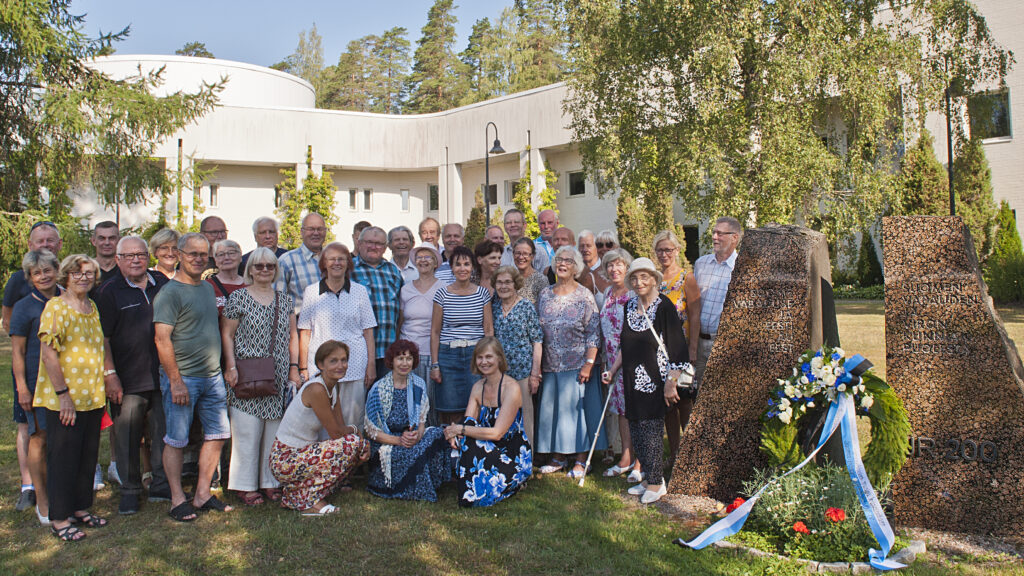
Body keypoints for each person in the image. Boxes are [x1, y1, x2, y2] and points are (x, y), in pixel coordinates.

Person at [153, 233, 233, 522]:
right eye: (192, 254)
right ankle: (177, 499)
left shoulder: (206, 288)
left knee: (218, 434)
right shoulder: (169, 293)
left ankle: (201, 493)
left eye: (203, 254)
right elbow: (162, 339)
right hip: (183, 377)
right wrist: (175, 381)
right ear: (179, 254)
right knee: (176, 439)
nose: (199, 259)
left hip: (211, 376)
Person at [602, 258, 691, 504]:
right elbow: (625, 344)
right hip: (631, 378)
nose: (639, 282)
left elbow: (677, 348)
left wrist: (671, 382)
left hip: (655, 380)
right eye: (634, 278)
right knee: (637, 428)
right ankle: (647, 477)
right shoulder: (630, 305)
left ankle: (656, 482)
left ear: (654, 279)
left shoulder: (664, 307)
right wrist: (613, 370)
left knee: (651, 430)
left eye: (644, 277)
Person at [94, 236, 172, 515]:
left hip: (162, 375)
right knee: (127, 436)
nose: (135, 259)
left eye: (140, 254)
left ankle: (161, 484)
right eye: (128, 256)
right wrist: (110, 374)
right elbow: (102, 338)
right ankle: (129, 489)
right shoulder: (108, 292)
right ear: (118, 260)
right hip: (127, 379)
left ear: (148, 256)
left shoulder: (162, 284)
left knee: (163, 433)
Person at [34, 254, 108, 540]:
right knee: (63, 457)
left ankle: (80, 507)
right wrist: (63, 395)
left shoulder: (92, 307)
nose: (83, 278)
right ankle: (60, 518)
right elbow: (49, 353)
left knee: (86, 455)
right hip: (65, 398)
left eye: (89, 273)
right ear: (65, 275)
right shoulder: (56, 307)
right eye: (77, 273)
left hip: (91, 395)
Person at [221, 247, 298, 506]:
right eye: (259, 266)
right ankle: (244, 485)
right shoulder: (238, 298)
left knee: (273, 431)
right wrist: (230, 366)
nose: (264, 270)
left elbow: (292, 336)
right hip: (246, 372)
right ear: (250, 269)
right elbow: (227, 335)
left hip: (276, 374)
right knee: (247, 430)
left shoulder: (284, 300)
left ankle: (269, 481)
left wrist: (294, 368)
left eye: (269, 266)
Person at [270, 340, 370, 514]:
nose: (341, 365)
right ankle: (310, 501)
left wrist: (358, 439)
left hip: (302, 454)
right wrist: (357, 432)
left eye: (344, 360)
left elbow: (339, 428)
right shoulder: (316, 389)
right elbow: (337, 433)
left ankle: (295, 496)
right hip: (285, 458)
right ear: (320, 365)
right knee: (353, 444)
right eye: (333, 361)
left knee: (355, 446)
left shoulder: (333, 386)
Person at [535, 245, 605, 479]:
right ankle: (558, 456)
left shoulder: (584, 295)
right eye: (559, 260)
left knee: (579, 414)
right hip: (550, 364)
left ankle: (581, 459)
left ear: (576, 268)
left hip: (577, 365)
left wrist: (589, 362)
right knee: (555, 413)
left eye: (568, 260)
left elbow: (594, 331)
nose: (562, 264)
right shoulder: (545, 294)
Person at [6, 222, 63, 509]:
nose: (43, 276)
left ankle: (58, 484)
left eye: (48, 271)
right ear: (29, 276)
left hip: (63, 379)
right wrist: (22, 387)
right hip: (32, 377)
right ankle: (31, 487)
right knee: (32, 432)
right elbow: (16, 347)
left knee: (58, 433)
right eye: (37, 273)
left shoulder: (67, 296)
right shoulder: (23, 300)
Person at [299, 242, 376, 438]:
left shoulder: (359, 291)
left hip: (354, 365)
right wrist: (303, 368)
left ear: (348, 263)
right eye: (331, 259)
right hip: (321, 368)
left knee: (352, 421)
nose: (336, 263)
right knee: (323, 422)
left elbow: (368, 331)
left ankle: (350, 465)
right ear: (324, 264)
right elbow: (305, 332)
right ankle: (326, 465)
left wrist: (371, 365)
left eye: (341, 259)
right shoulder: (311, 292)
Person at [444, 337, 532, 507]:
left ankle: (507, 482)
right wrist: (454, 434)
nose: (484, 362)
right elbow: (469, 422)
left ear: (499, 358)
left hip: (510, 456)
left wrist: (459, 429)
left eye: (489, 357)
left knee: (468, 439)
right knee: (447, 435)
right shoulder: (478, 387)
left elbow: (497, 433)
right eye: (480, 357)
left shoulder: (511, 388)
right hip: (486, 450)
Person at [364, 340, 451, 501]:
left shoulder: (419, 384)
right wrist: (399, 440)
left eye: (409, 359)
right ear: (392, 361)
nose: (405, 363)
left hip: (411, 436)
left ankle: (432, 481)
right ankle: (407, 487)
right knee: (413, 452)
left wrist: (416, 436)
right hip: (387, 440)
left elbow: (421, 422)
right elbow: (371, 431)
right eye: (400, 358)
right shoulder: (378, 389)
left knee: (439, 433)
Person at [653, 229, 702, 466]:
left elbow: (695, 315)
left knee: (684, 402)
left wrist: (692, 350)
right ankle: (673, 454)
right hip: (660, 354)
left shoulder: (686, 279)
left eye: (668, 250)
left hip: (681, 351)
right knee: (667, 406)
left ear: (677, 250)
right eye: (660, 250)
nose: (664, 254)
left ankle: (691, 457)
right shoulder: (653, 280)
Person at [430, 245, 493, 424]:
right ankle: (452, 449)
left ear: (472, 267)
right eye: (458, 264)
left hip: (475, 356)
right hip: (448, 356)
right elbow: (435, 331)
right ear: (451, 268)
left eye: (466, 264)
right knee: (451, 410)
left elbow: (488, 330)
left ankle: (471, 449)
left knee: (475, 407)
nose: (462, 268)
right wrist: (435, 364)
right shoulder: (442, 294)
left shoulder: (482, 294)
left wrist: (488, 360)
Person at [597, 249, 642, 481]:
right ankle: (625, 456)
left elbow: (634, 332)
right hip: (612, 358)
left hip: (632, 358)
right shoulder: (607, 292)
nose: (614, 270)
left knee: (636, 409)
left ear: (627, 267)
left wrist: (616, 365)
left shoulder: (634, 295)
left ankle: (640, 461)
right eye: (610, 266)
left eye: (618, 265)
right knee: (622, 410)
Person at [491, 266, 542, 442]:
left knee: (525, 418)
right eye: (499, 282)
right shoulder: (493, 306)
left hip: (522, 373)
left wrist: (535, 375)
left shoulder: (526, 306)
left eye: (507, 282)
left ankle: (526, 461)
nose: (503, 286)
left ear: (515, 284)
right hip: (498, 375)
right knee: (500, 417)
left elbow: (537, 341)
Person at [693, 217, 742, 390]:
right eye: (714, 232)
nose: (714, 237)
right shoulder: (701, 264)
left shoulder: (742, 268)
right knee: (699, 395)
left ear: (734, 237)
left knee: (721, 393)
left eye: (720, 233)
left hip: (723, 344)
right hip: (698, 343)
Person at [352, 226, 404, 378]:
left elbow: (400, 310)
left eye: (379, 244)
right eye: (369, 242)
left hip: (388, 350)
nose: (374, 247)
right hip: (359, 351)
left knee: (384, 399)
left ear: (385, 247)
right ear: (360, 243)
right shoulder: (348, 269)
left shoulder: (393, 271)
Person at [398, 243, 443, 417]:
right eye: (420, 257)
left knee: (430, 404)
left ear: (435, 263)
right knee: (410, 402)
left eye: (428, 257)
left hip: (432, 353)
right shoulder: (406, 289)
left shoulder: (443, 288)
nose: (423, 261)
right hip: (408, 355)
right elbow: (400, 322)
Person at [3, 221, 62, 333]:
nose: (45, 244)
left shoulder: (70, 276)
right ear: (30, 245)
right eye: (40, 241)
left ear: (59, 244)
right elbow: (7, 321)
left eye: (50, 240)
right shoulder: (18, 279)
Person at [276, 212, 327, 314]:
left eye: (320, 229)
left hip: (331, 326)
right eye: (311, 229)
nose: (316, 233)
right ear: (302, 232)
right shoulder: (287, 261)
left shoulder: (334, 259)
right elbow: (278, 301)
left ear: (325, 232)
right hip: (300, 325)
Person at [544, 227, 596, 293]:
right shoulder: (547, 272)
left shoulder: (585, 273)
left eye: (564, 239)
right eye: (556, 240)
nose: (559, 243)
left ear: (573, 244)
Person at [207, 239, 246, 313]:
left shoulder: (251, 285)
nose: (227, 258)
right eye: (221, 254)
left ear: (240, 257)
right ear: (215, 260)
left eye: (231, 253)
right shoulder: (207, 287)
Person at [511, 237, 549, 306]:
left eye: (525, 253)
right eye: (517, 253)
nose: (521, 257)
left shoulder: (541, 281)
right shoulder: (509, 278)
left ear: (532, 256)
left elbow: (545, 308)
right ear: (513, 254)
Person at [579, 230, 609, 295]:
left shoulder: (607, 269)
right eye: (582, 246)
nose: (585, 249)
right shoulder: (576, 272)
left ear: (597, 247)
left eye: (588, 246)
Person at [90, 221, 121, 285]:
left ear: (119, 240)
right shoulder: (85, 270)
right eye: (102, 238)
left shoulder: (127, 270)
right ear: (93, 241)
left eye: (112, 238)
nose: (107, 243)